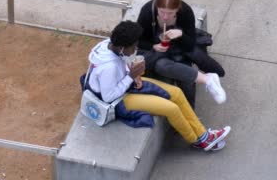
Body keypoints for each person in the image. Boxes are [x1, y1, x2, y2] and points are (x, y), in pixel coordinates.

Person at [86, 21, 230, 151]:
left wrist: (133, 74)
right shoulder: (108, 68)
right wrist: (130, 76)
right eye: (134, 46)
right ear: (122, 47)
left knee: (176, 92)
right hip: (117, 101)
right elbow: (108, 96)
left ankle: (203, 135)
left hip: (126, 83)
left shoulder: (109, 44)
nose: (136, 48)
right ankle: (198, 141)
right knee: (171, 109)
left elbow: (122, 64)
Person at [137, 0, 226, 105]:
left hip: (178, 49)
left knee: (187, 86)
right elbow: (139, 41)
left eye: (170, 13)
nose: (165, 17)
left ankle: (191, 120)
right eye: (162, 12)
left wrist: (180, 34)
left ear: (177, 9)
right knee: (162, 65)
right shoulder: (148, 11)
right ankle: (207, 79)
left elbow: (189, 45)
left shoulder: (186, 12)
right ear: (157, 6)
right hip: (157, 53)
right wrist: (153, 46)